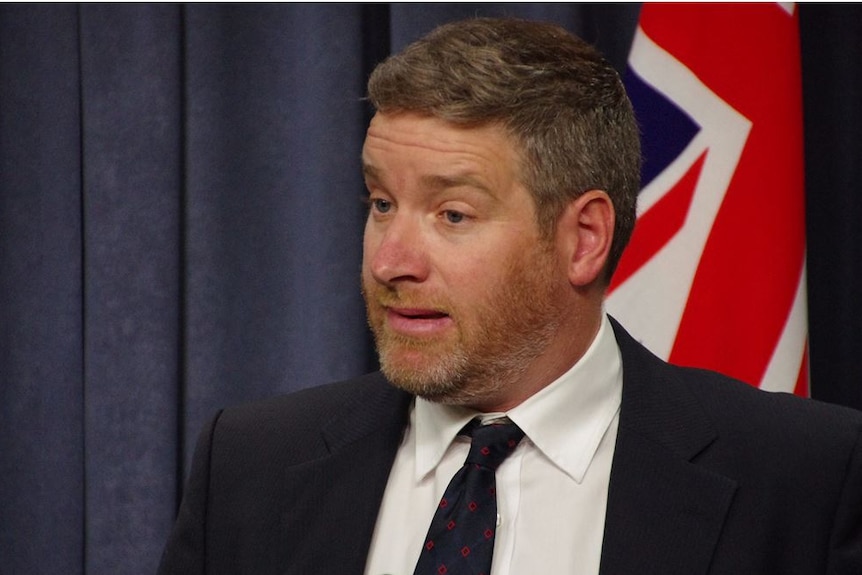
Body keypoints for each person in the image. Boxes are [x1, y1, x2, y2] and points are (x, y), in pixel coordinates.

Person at [158, 17, 862, 575]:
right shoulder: (250, 467)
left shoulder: (803, 480)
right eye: (380, 203)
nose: (390, 260)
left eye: (452, 214)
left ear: (583, 238)